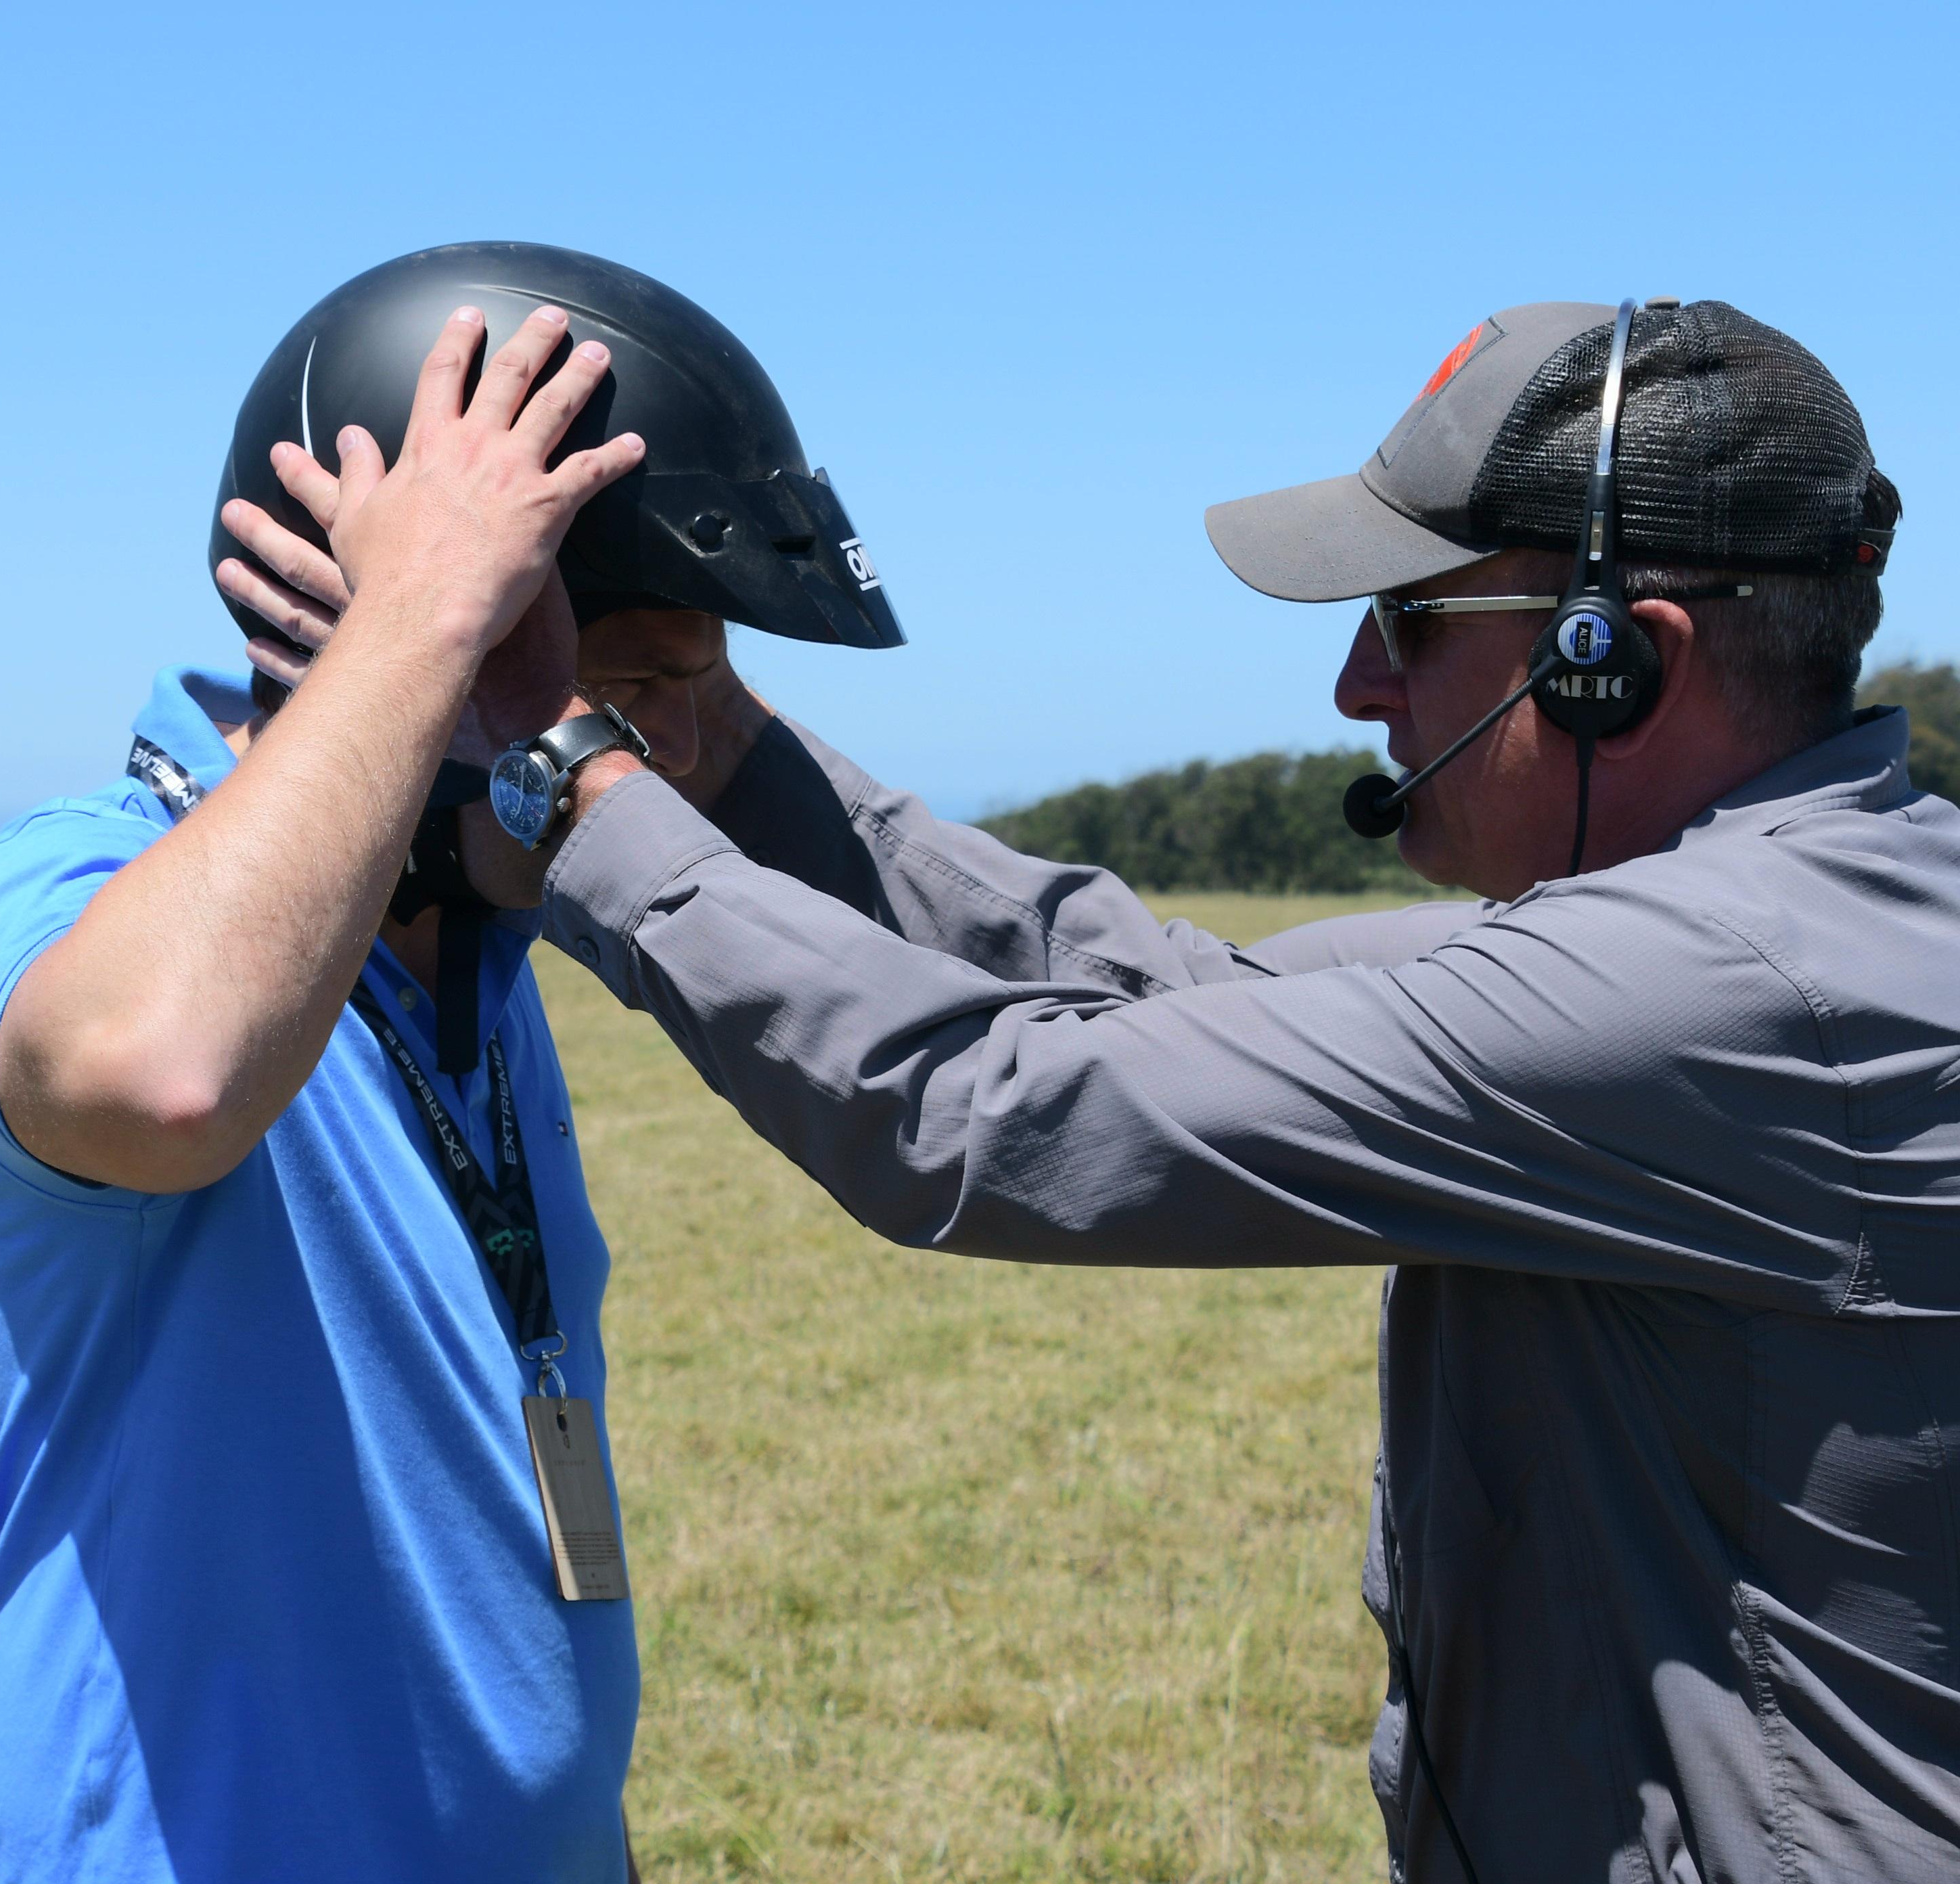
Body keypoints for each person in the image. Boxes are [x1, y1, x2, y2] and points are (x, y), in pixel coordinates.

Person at [229, 296, 1955, 1880]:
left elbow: (987, 1112)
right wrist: (703, 730)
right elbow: (1140, 985)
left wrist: (565, 765)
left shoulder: (1722, 996)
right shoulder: (1782, 927)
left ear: (1617, 656)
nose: (1357, 684)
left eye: (1413, 623)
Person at [0, 242, 898, 1883]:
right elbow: (164, 1075)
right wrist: (429, 613)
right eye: (646, 679)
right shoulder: (76, 882)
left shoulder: (481, 957)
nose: (698, 750)